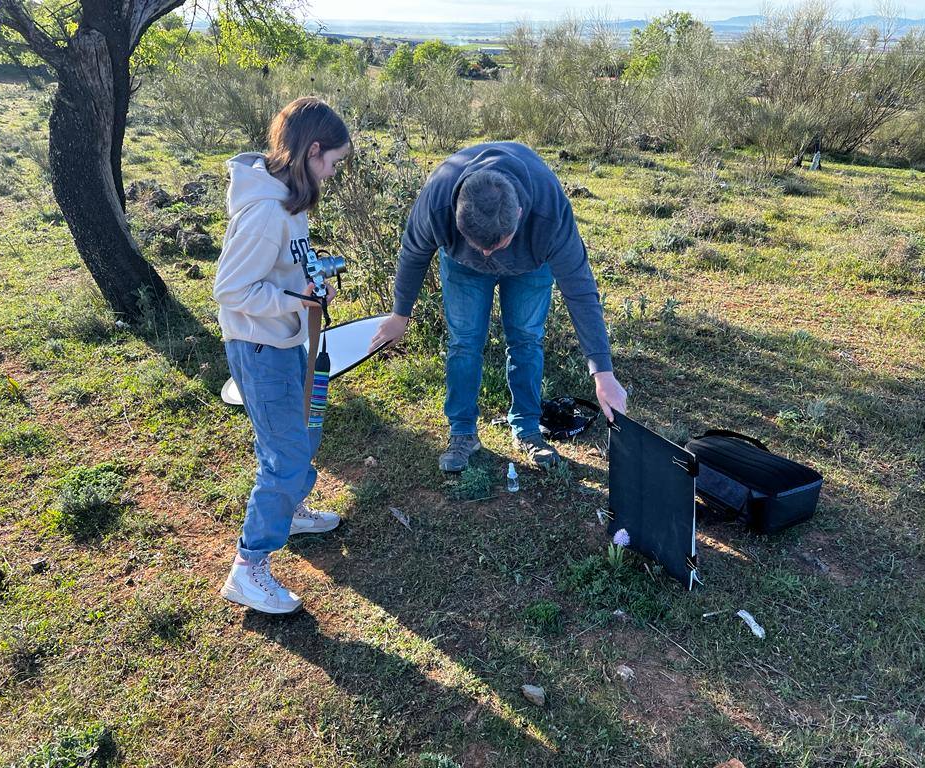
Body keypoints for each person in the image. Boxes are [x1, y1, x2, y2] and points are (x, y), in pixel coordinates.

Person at [370, 142, 627, 472]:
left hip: (530, 267)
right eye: (479, 245)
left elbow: (579, 289)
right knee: (464, 342)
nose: (488, 255)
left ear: (518, 214)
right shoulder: (438, 198)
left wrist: (602, 372)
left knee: (526, 340)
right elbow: (414, 253)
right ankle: (462, 433)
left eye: (498, 245)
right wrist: (399, 314)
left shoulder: (548, 212)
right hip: (463, 269)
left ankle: (528, 429)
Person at [212, 97, 351, 614]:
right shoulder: (266, 213)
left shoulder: (289, 202)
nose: (333, 174)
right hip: (261, 346)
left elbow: (282, 272)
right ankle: (249, 568)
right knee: (286, 456)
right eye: (332, 163)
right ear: (312, 151)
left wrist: (309, 285)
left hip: (288, 338)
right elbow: (230, 290)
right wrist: (294, 302)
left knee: (305, 432)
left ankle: (289, 509)